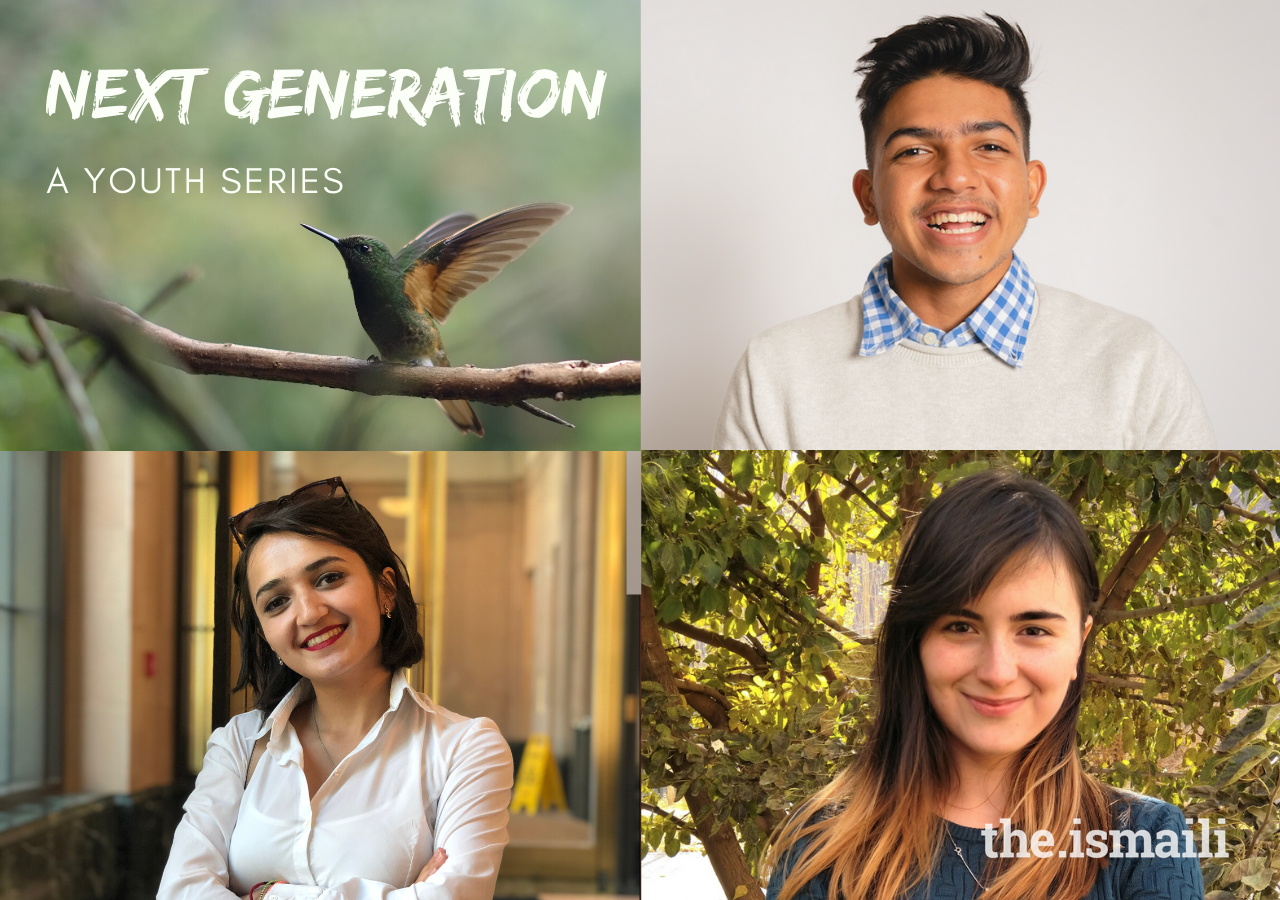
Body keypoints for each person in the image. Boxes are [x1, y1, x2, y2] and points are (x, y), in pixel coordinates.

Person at [714, 15, 1215, 450]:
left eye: (990, 147)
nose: (954, 177)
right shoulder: (776, 372)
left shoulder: (1134, 364)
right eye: (913, 150)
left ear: (1031, 187)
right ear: (868, 195)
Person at [765, 470, 1204, 900]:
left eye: (1033, 630)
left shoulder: (1144, 844)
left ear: (1079, 643)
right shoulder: (822, 848)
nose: (997, 672)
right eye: (960, 626)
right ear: (915, 639)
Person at [158, 478, 513, 900]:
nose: (308, 612)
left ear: (385, 588)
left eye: (327, 578)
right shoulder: (238, 746)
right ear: (267, 636)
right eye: (276, 602)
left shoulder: (464, 750)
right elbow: (180, 892)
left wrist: (268, 896)